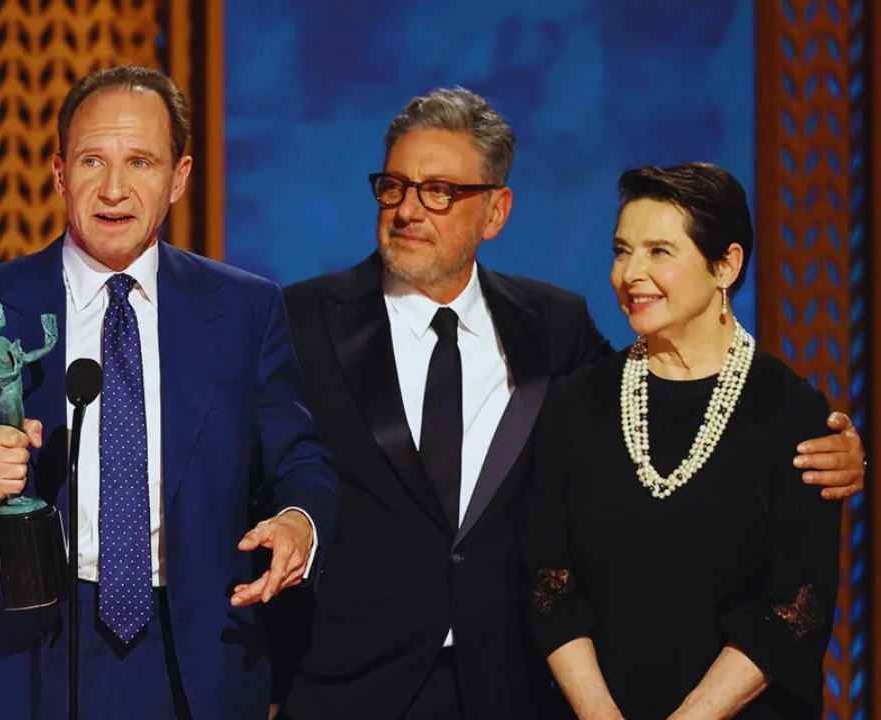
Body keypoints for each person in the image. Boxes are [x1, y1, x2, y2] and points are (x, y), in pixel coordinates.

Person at [273, 88, 865, 720]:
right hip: (347, 687)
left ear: (496, 211)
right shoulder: (301, 320)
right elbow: (261, 473)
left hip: (506, 689)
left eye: (439, 191)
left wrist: (845, 451)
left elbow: (669, 397)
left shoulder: (553, 327)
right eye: (394, 187)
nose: (409, 209)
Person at [0, 64, 339, 720]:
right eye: (92, 160)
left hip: (192, 658)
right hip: (14, 659)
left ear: (179, 177)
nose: (114, 190)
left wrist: (299, 521)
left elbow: (303, 462)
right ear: (59, 173)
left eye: (141, 162)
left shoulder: (246, 310)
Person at [524, 163, 840, 719]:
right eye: (622, 251)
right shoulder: (576, 403)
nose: (631, 273)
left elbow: (795, 608)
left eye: (659, 252)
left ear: (726, 265)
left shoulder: (793, 413)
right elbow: (548, 584)